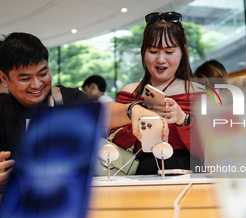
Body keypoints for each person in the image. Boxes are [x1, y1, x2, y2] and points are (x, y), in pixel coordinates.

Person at [0, 32, 168, 191]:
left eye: (43, 73)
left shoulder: (66, 98)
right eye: (25, 78)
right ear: (4, 79)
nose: (37, 84)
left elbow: (104, 112)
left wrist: (133, 109)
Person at [110, 11, 204, 174]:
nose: (160, 59)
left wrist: (183, 120)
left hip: (190, 171)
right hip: (142, 171)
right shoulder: (129, 92)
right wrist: (139, 120)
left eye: (169, 52)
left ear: (182, 52)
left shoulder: (201, 94)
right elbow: (115, 147)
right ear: (143, 51)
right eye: (153, 51)